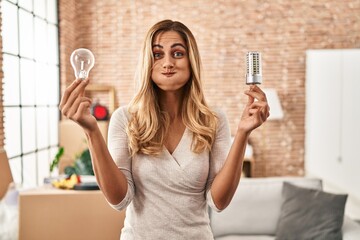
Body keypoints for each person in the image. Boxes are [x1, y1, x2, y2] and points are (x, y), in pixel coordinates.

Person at [59, 19, 269, 240]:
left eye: (177, 53)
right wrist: (91, 132)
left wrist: (244, 132)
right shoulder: (125, 118)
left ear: (191, 61)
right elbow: (119, 199)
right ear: (148, 62)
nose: (167, 63)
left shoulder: (214, 120)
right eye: (158, 54)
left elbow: (218, 202)